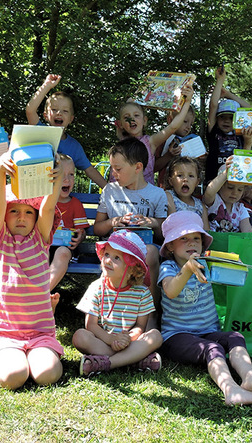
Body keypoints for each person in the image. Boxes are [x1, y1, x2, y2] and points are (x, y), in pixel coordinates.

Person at [157, 211, 252, 405]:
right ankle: (231, 390)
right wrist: (188, 269)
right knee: (212, 348)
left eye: (196, 238)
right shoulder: (169, 267)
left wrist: (231, 266)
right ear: (170, 246)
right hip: (177, 336)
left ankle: (249, 376)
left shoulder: (206, 264)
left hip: (208, 331)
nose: (191, 243)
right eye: (183, 238)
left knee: (235, 337)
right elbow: (170, 291)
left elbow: (231, 279)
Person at [0, 150, 65, 390]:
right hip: (3, 331)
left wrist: (57, 178)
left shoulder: (40, 239)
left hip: (39, 332)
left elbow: (48, 208)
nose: (21, 217)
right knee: (14, 376)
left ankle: (30, 356)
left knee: (48, 374)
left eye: (28, 212)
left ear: (35, 217)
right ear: (6, 216)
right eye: (14, 211)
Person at [72, 230, 163, 376]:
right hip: (102, 340)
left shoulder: (142, 292)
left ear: (133, 269)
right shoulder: (96, 287)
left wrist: (127, 339)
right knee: (80, 336)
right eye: (107, 254)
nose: (108, 260)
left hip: (129, 342)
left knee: (155, 336)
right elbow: (91, 325)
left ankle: (106, 363)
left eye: (116, 258)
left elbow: (140, 326)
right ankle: (134, 360)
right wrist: (111, 339)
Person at [93, 138, 168, 306]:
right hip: (115, 248)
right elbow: (97, 229)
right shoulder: (110, 191)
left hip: (145, 247)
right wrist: (113, 222)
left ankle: (151, 312)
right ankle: (108, 309)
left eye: (118, 169)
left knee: (151, 252)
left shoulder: (157, 194)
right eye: (112, 168)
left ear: (138, 167)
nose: (113, 173)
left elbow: (163, 236)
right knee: (115, 254)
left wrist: (152, 222)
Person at [26, 73, 107, 189]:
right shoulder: (39, 132)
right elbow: (30, 110)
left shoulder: (74, 147)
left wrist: (109, 190)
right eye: (54, 109)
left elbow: (89, 170)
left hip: (61, 195)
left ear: (71, 119)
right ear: (45, 116)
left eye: (65, 111)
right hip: (37, 192)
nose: (59, 113)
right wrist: (47, 85)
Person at [117, 92, 193, 185]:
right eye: (127, 117)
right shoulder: (121, 142)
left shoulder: (150, 142)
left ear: (145, 120)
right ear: (120, 124)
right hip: (121, 191)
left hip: (145, 193)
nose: (132, 119)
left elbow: (173, 126)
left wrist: (187, 102)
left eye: (136, 115)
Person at [206, 66, 252, 184]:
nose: (226, 121)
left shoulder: (241, 134)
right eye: (222, 117)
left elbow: (250, 110)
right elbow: (213, 105)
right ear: (217, 118)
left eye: (231, 118)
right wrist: (220, 80)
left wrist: (227, 94)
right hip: (213, 181)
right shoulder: (214, 132)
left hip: (234, 181)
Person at [50, 155, 89, 290]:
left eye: (71, 174)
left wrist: (80, 237)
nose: (67, 179)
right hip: (44, 246)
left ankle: (42, 294)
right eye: (61, 174)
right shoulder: (43, 202)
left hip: (66, 248)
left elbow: (82, 232)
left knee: (62, 253)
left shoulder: (75, 204)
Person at [154, 105, 205, 188]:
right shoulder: (161, 140)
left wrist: (201, 159)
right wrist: (168, 156)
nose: (188, 127)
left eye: (191, 124)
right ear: (170, 120)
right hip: (165, 190)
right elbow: (153, 168)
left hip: (186, 190)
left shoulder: (190, 142)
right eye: (185, 121)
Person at [203, 159, 252, 233]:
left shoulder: (240, 209)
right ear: (220, 186)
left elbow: (247, 232)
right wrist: (226, 173)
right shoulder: (215, 201)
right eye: (230, 187)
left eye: (240, 190)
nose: (235, 193)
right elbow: (209, 192)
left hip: (233, 240)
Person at [165, 156, 209, 230]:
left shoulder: (201, 206)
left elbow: (207, 231)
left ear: (197, 182)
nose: (185, 179)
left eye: (191, 176)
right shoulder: (169, 197)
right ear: (171, 181)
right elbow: (172, 224)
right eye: (180, 175)